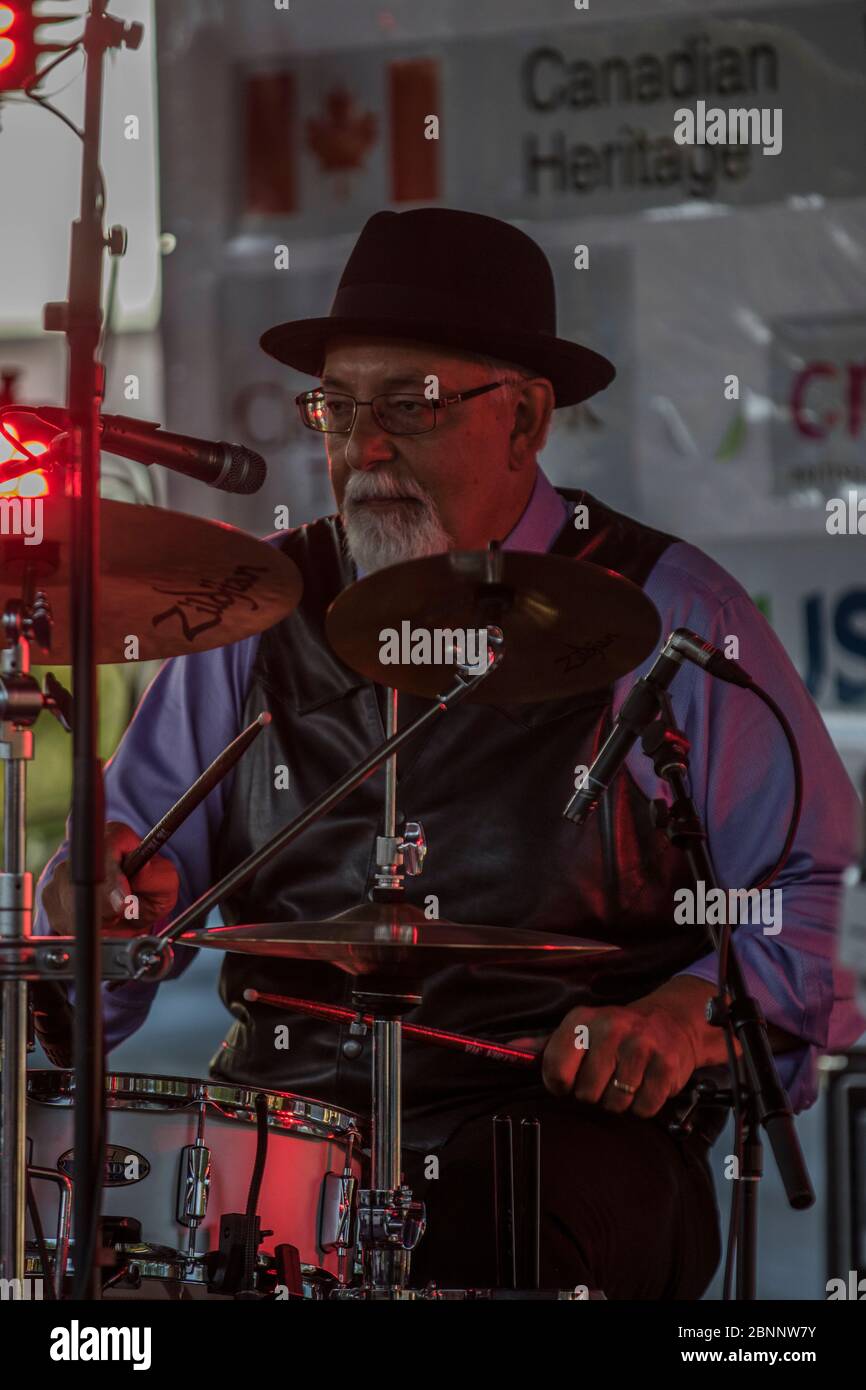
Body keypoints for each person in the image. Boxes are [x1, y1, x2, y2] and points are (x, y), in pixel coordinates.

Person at [36, 207, 864, 1298]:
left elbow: (805, 884)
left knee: (481, 1246)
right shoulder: (252, 614)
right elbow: (128, 898)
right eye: (338, 406)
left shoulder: (666, 613)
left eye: (411, 404)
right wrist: (91, 904)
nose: (363, 447)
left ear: (521, 419)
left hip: (557, 1135)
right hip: (288, 1130)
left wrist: (687, 1016)